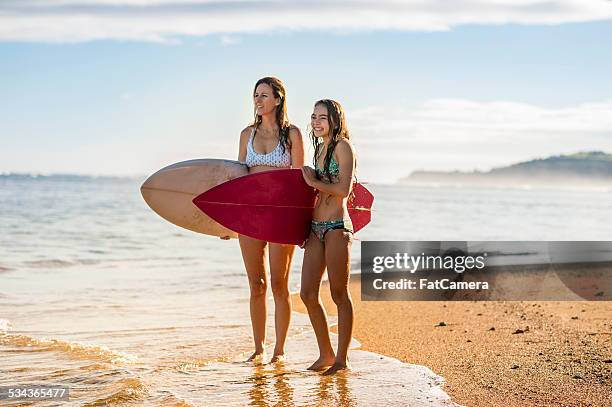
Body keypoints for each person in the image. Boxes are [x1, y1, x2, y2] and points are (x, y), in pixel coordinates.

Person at [237, 77, 304, 363]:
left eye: (264, 95)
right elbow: (237, 179)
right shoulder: (246, 134)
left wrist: (303, 225)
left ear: (278, 99)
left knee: (279, 285)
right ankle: (259, 348)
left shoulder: (293, 134)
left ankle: (279, 350)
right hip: (250, 216)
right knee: (256, 285)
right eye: (255, 95)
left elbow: (301, 181)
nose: (258, 100)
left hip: (282, 216)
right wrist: (227, 221)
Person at [300, 99, 356, 375]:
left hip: (336, 227)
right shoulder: (319, 148)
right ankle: (325, 353)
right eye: (313, 116)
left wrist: (314, 181)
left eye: (323, 117)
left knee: (338, 293)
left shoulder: (344, 147)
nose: (316, 121)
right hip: (315, 228)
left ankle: (342, 359)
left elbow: (344, 189)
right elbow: (315, 192)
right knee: (307, 293)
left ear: (336, 120)